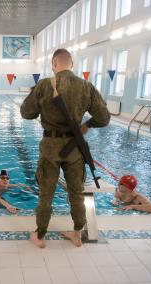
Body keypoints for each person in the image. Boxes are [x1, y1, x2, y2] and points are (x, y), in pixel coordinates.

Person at [20, 48, 110, 248]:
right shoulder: (86, 86)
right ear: (72, 64)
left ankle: (40, 235)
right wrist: (86, 125)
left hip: (51, 147)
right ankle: (77, 233)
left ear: (53, 64)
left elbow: (26, 113)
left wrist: (42, 107)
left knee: (46, 193)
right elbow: (104, 118)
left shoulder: (44, 85)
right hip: (75, 148)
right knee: (76, 192)